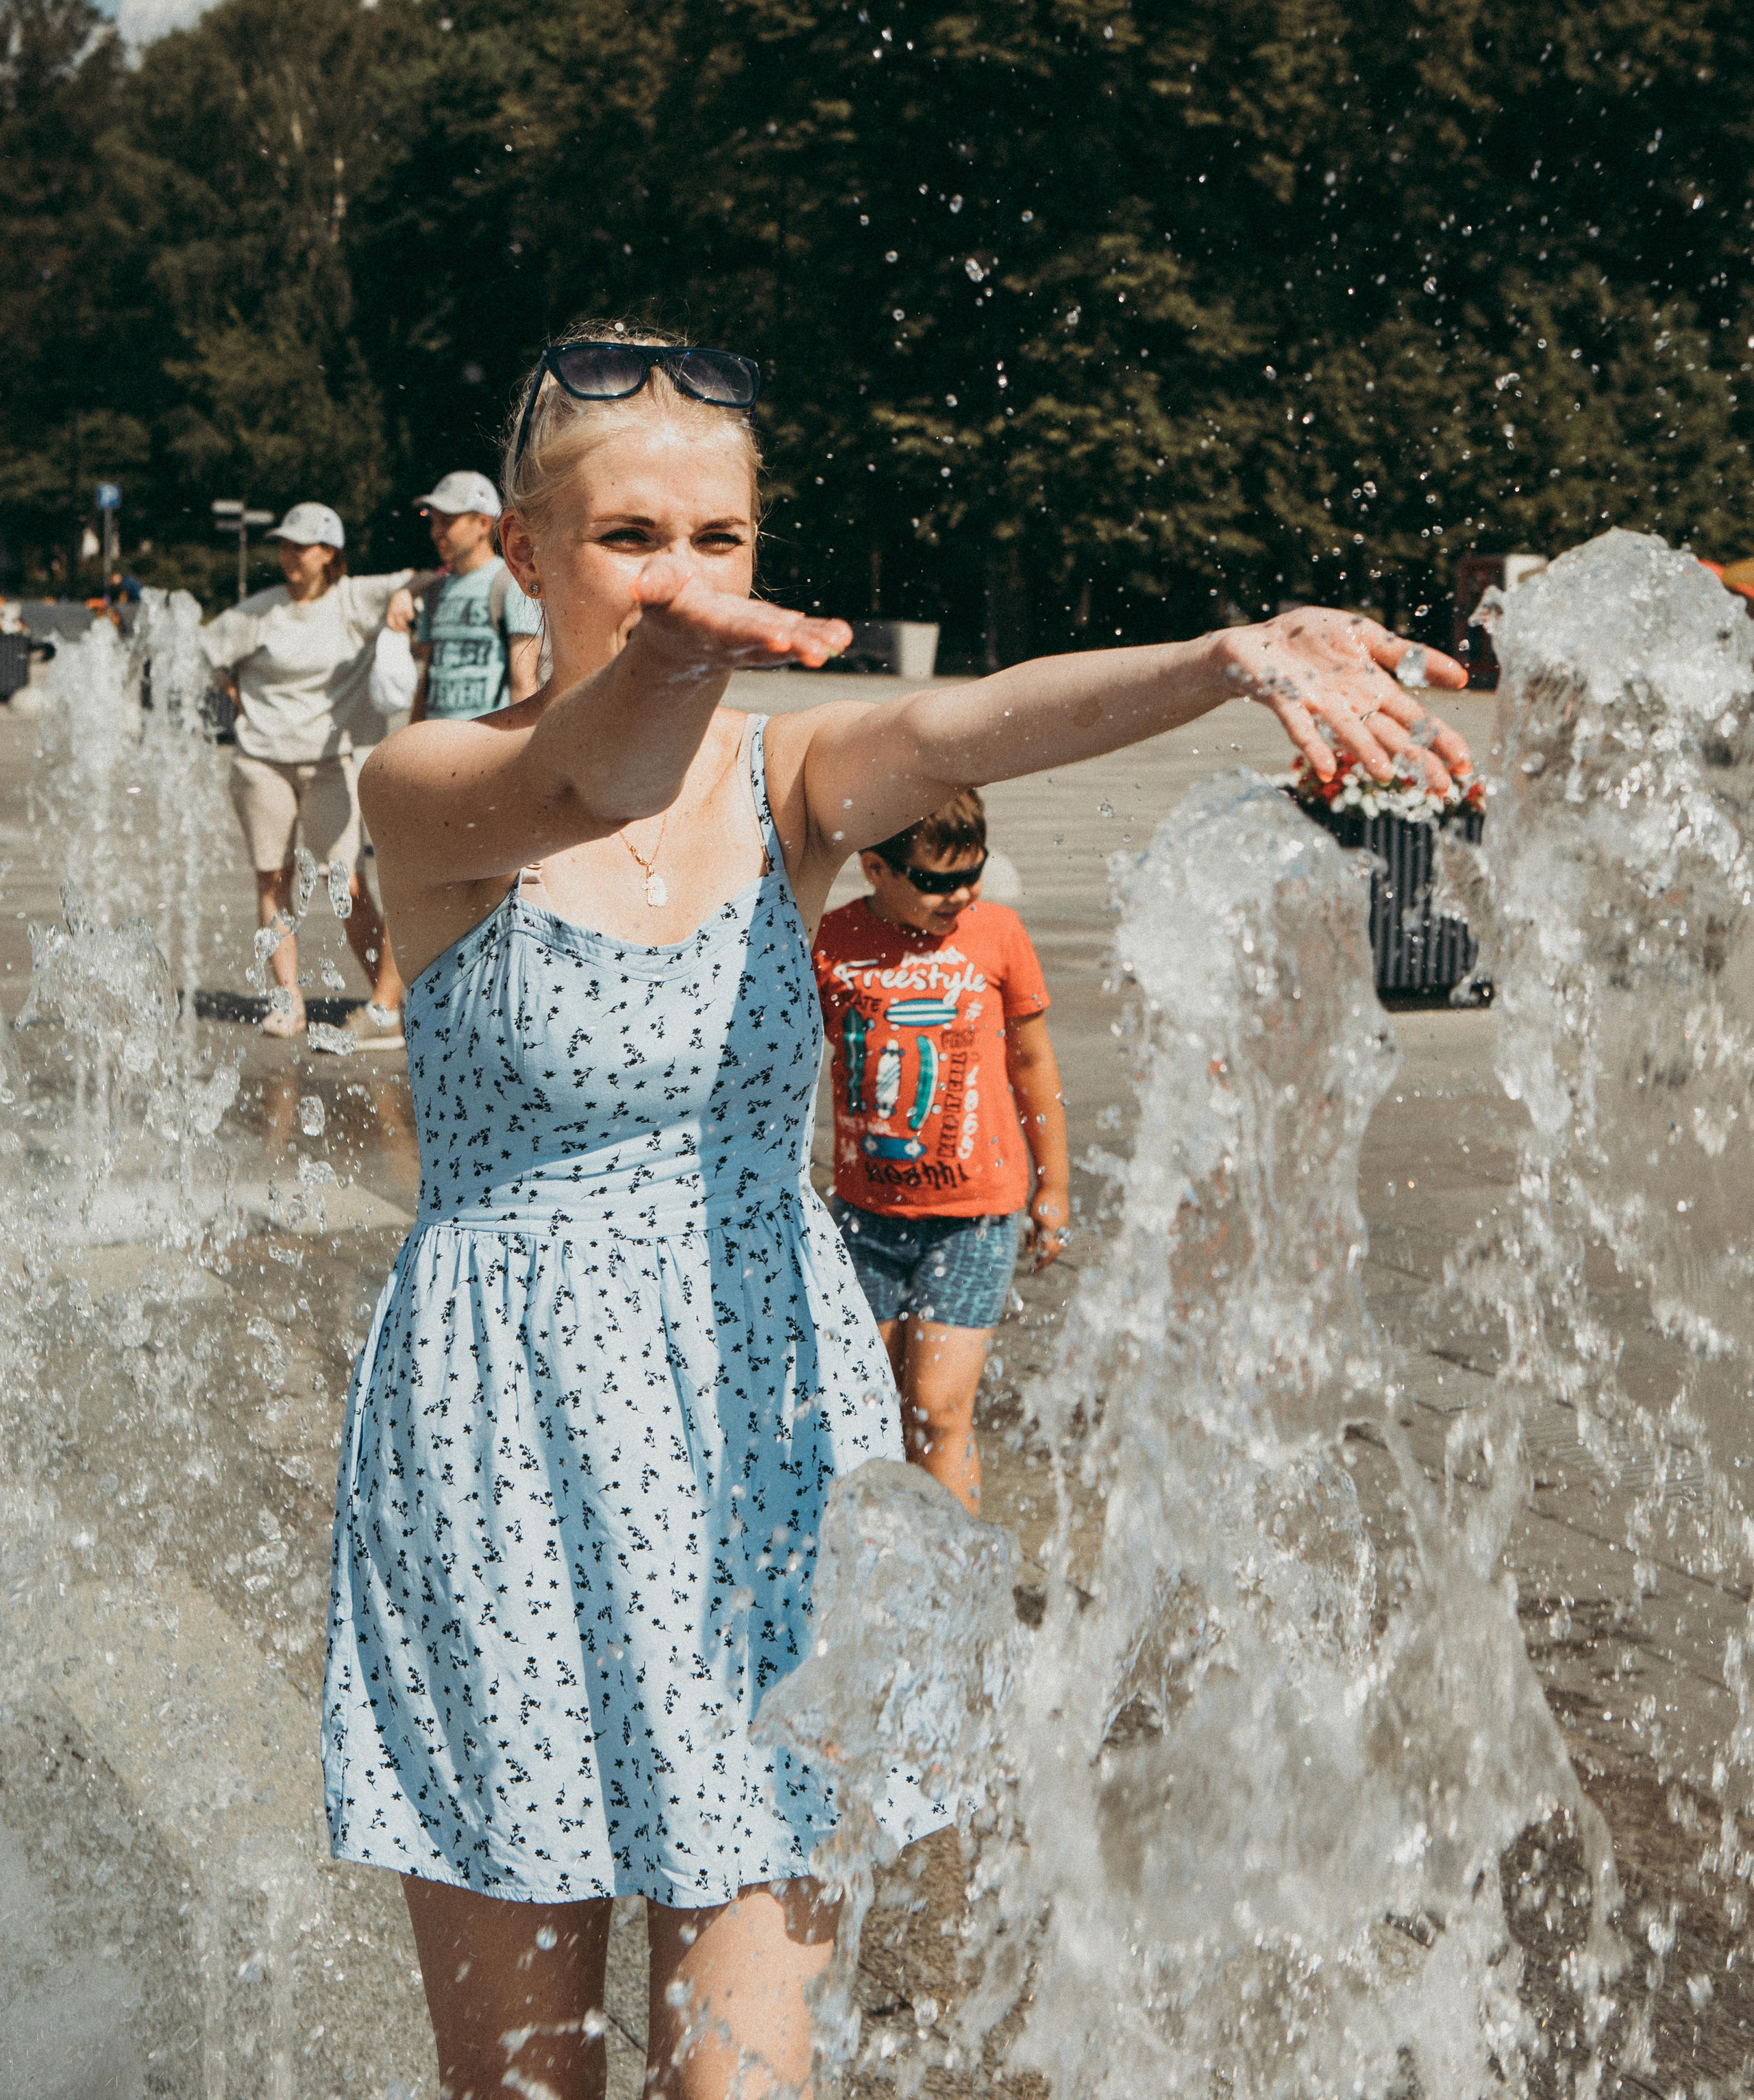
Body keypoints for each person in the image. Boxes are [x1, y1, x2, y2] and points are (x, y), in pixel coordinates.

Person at [321, 319, 1471, 2100]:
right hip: (505, 1447)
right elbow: (588, 780)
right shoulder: (430, 792)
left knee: (747, 2076)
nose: (681, 583)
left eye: (720, 544)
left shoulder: (787, 790)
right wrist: (679, 668)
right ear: (529, 558)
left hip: (764, 1433)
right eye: (631, 541)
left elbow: (965, 721)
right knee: (522, 2086)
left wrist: (1224, 658)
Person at [813, 787, 1065, 1515]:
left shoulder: (998, 936)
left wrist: (1053, 1189)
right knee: (866, 1409)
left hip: (974, 1218)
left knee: (937, 1409)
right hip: (865, 1219)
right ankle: (886, 1572)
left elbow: (1033, 1065)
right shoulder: (831, 943)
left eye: (972, 873)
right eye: (935, 880)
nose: (959, 894)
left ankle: (958, 1599)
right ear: (874, 869)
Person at [200, 501, 422, 1046]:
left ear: (330, 553)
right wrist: (234, 697)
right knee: (272, 881)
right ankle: (287, 1000)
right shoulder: (259, 611)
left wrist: (402, 597)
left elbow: (426, 579)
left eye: (302, 546)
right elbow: (204, 649)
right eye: (285, 544)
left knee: (346, 884)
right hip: (261, 763)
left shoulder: (354, 598)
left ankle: (384, 1004)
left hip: (330, 765)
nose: (290, 554)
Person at [409, 468, 546, 720]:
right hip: (436, 747)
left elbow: (524, 681)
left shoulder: (510, 584)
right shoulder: (436, 592)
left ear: (483, 524)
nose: (435, 532)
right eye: (434, 521)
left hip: (487, 746)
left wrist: (524, 750)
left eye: (447, 522)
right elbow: (427, 680)